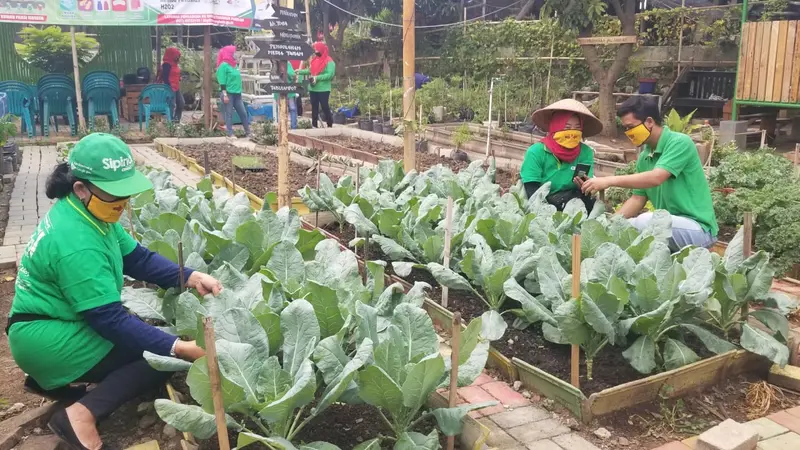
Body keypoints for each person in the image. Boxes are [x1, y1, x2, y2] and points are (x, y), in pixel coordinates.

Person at [6, 133, 222, 450]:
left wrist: (188, 276)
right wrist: (179, 348)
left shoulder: (90, 213)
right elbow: (110, 320)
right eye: (115, 195)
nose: (123, 203)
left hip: (58, 325)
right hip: (49, 341)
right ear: (80, 188)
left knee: (153, 341)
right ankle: (80, 415)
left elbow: (137, 258)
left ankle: (74, 388)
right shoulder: (76, 242)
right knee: (157, 356)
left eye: (126, 193)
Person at [580, 96, 718, 250]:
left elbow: (657, 177)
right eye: (625, 128)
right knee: (624, 227)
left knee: (647, 221)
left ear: (650, 122)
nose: (628, 133)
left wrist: (608, 180)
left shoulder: (679, 142)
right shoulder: (645, 157)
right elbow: (638, 199)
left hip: (697, 229)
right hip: (667, 226)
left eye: (630, 127)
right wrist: (611, 224)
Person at [520, 99, 603, 211]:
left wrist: (585, 187)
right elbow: (532, 192)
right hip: (543, 204)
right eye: (567, 128)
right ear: (555, 127)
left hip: (575, 203)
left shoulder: (585, 152)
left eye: (577, 128)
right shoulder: (536, 151)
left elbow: (586, 187)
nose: (572, 132)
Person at [297, 42, 335, 128]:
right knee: (314, 107)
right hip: (313, 88)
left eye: (317, 50)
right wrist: (299, 71)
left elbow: (330, 75)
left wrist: (317, 78)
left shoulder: (329, 62)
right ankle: (314, 124)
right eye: (315, 50)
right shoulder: (315, 60)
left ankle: (329, 123)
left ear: (322, 50)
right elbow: (310, 70)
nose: (316, 52)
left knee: (325, 106)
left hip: (324, 89)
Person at [216, 45, 251, 137]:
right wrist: (225, 95)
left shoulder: (235, 65)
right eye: (234, 52)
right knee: (229, 114)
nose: (236, 54)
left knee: (243, 113)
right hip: (228, 94)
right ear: (229, 53)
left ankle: (248, 132)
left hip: (237, 94)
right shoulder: (223, 66)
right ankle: (230, 133)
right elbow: (222, 81)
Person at [158, 47, 183, 123]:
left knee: (181, 102)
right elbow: (165, 77)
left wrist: (179, 78)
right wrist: (169, 87)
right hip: (170, 87)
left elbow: (174, 73)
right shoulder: (166, 64)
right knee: (171, 105)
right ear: (171, 55)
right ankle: (170, 121)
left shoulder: (175, 64)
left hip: (176, 87)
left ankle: (176, 119)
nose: (177, 57)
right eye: (176, 55)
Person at [275, 62, 298, 129]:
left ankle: (294, 127)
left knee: (292, 108)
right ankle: (283, 127)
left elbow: (293, 76)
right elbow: (273, 78)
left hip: (289, 91)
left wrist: (285, 71)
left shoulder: (288, 64)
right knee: (282, 109)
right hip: (279, 91)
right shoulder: (275, 64)